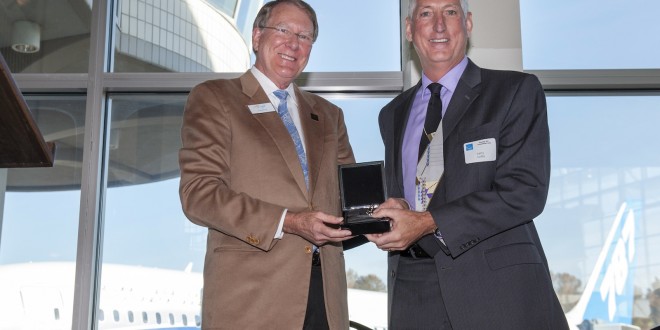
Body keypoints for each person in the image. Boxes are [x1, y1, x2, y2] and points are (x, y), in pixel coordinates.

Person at [366, 0, 570, 328]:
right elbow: (416, 193)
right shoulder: (392, 113)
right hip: (411, 290)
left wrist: (429, 221)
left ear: (468, 23)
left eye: (450, 12)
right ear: (409, 30)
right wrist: (399, 208)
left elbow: (525, 191)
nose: (439, 26)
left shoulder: (514, 91)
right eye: (426, 13)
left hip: (493, 292)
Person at [178, 1, 355, 328]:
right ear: (257, 36)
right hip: (251, 300)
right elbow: (199, 195)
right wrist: (289, 222)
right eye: (284, 30)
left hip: (325, 303)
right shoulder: (216, 98)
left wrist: (380, 212)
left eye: (305, 36)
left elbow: (350, 198)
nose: (294, 43)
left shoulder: (330, 116)